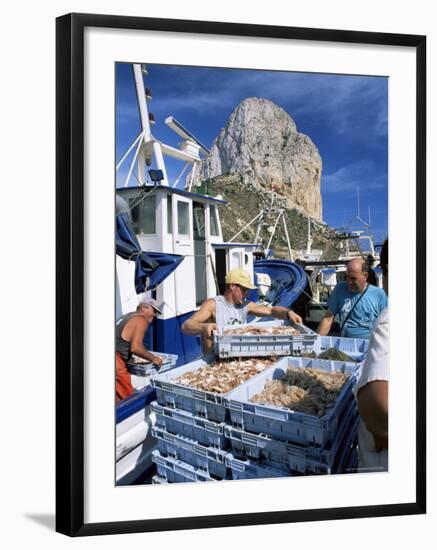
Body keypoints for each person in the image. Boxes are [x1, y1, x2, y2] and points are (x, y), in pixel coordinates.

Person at [181, 268, 303, 353]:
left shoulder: (246, 305)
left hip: (236, 356)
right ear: (232, 286)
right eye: (244, 289)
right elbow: (186, 326)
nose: (247, 294)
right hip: (214, 360)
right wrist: (204, 327)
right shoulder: (213, 305)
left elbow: (271, 311)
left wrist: (288, 313)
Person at [354, 239, 389, 472]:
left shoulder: (388, 317)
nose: (348, 281)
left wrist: (380, 438)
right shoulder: (338, 292)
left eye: (352, 276)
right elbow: (328, 316)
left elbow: (380, 403)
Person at [316, 257, 387, 340]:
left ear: (365, 275)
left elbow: (387, 326)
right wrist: (317, 342)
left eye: (353, 278)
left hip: (369, 346)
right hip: (345, 344)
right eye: (347, 277)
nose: (349, 281)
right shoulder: (340, 289)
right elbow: (328, 319)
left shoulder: (379, 295)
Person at [115, 297, 163, 402]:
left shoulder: (128, 316)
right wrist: (153, 358)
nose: (155, 315)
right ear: (144, 308)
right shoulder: (141, 320)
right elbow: (135, 347)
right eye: (154, 311)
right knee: (127, 399)